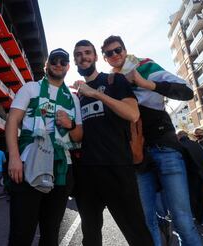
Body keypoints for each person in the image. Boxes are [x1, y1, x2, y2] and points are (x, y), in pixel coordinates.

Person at [102, 35, 201, 245]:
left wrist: (143, 82)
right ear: (105, 58)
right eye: (109, 53)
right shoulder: (110, 82)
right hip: (137, 157)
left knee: (182, 220)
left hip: (165, 148)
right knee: (147, 222)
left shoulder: (146, 66)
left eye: (118, 50)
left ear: (125, 49)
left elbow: (186, 92)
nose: (115, 55)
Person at [71, 40, 153, 246]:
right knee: (90, 236)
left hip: (117, 167)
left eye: (87, 52)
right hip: (87, 172)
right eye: (78, 54)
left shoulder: (113, 81)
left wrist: (97, 93)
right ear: (75, 60)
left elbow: (133, 114)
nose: (83, 57)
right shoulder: (75, 96)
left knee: (137, 233)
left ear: (96, 57)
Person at [6, 48, 83, 246]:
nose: (58, 64)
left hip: (62, 168)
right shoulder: (30, 88)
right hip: (27, 164)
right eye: (54, 60)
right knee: (21, 233)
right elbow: (12, 121)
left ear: (68, 66)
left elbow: (79, 136)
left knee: (51, 234)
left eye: (63, 61)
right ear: (46, 65)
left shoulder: (73, 99)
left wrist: (70, 124)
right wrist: (14, 157)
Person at [177, 130, 203, 226]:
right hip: (202, 174)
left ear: (179, 137)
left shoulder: (179, 146)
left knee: (191, 198)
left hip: (189, 176)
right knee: (202, 197)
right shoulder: (197, 145)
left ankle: (194, 218)